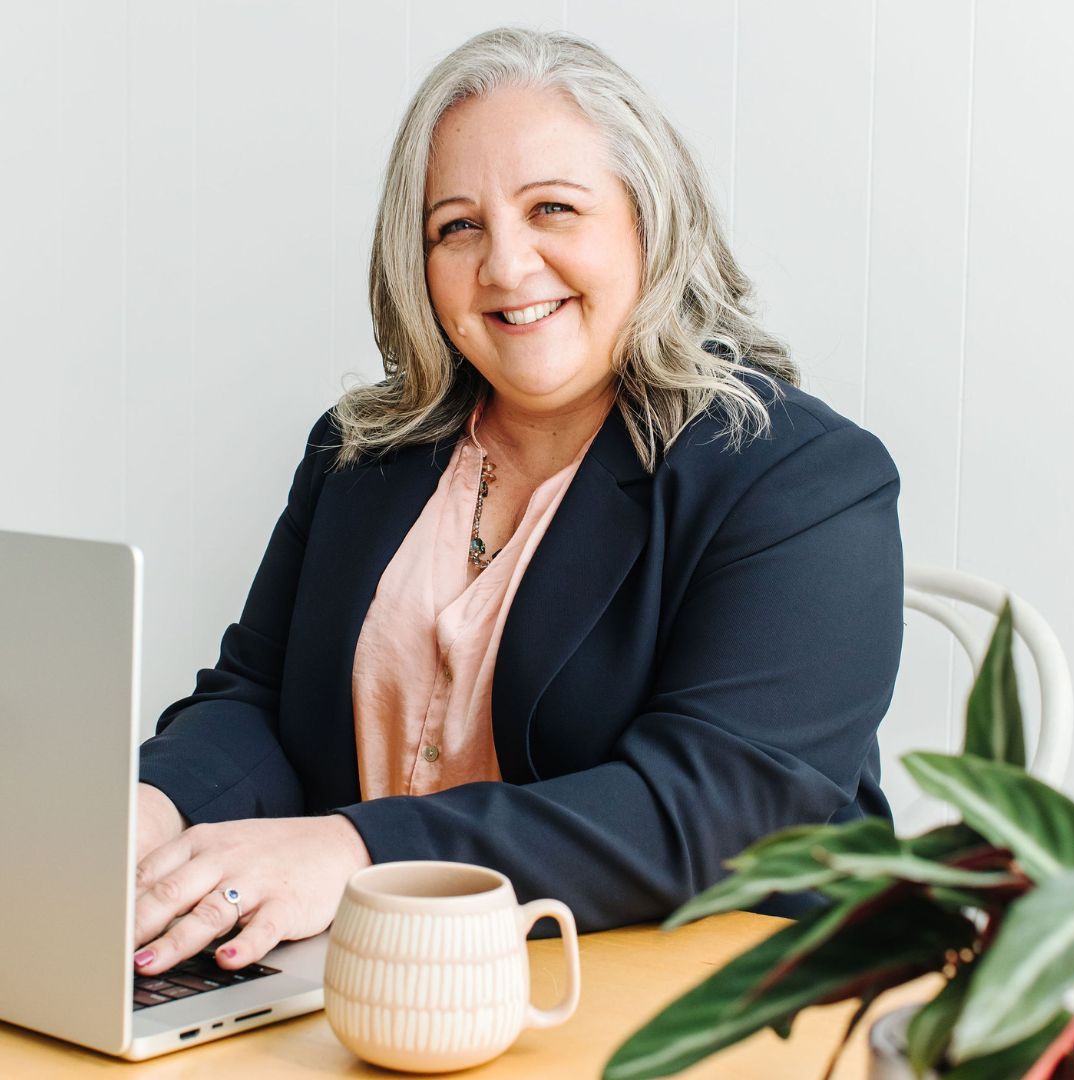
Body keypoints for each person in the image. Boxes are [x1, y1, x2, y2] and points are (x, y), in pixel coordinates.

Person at [132, 27, 903, 979]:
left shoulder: (798, 476)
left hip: (702, 992)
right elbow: (256, 698)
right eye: (458, 226)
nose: (505, 266)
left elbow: (708, 809)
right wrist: (149, 807)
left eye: (553, 209)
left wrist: (357, 850)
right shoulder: (361, 451)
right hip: (374, 982)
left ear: (648, 225)